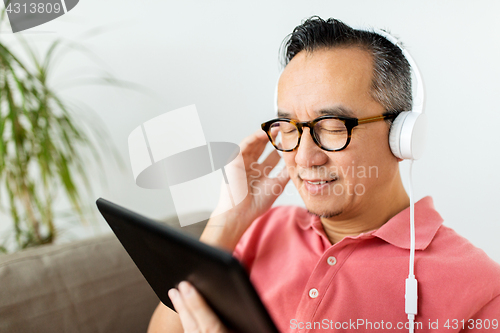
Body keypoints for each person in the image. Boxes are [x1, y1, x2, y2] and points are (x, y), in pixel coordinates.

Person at [148, 17, 500, 333]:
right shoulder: (259, 231)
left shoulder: (481, 288)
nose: (304, 157)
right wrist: (226, 224)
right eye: (288, 127)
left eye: (332, 126)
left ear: (402, 135)